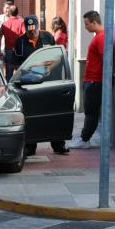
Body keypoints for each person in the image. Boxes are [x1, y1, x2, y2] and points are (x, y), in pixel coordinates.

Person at [12, 15, 70, 155]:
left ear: (38, 27)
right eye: (29, 30)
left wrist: (47, 69)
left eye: (34, 29)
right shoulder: (20, 42)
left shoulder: (47, 37)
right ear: (25, 29)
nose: (32, 32)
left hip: (49, 82)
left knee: (54, 114)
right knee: (31, 116)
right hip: (30, 85)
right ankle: (30, 147)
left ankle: (58, 145)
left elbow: (57, 57)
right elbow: (16, 65)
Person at [68, 10, 105, 149]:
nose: (85, 27)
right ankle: (84, 138)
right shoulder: (99, 36)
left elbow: (105, 58)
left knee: (90, 112)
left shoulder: (101, 37)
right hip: (93, 80)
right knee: (90, 111)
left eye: (87, 24)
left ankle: (84, 140)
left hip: (95, 81)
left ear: (94, 22)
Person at [0, 6, 24, 81]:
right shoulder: (21, 22)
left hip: (8, 51)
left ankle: (8, 90)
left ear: (9, 13)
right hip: (19, 51)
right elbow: (26, 35)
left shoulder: (5, 24)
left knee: (9, 75)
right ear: (17, 12)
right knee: (20, 74)